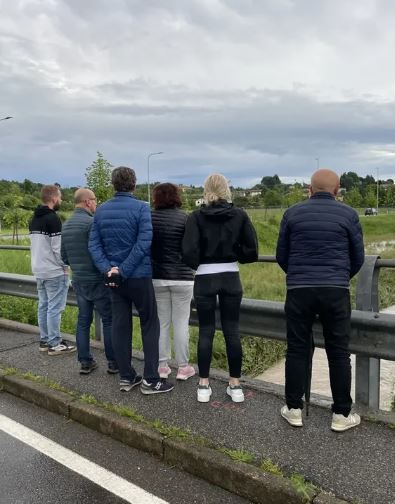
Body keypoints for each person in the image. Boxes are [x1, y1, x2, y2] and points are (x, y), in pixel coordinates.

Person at [276, 168, 365, 432]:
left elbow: (282, 255)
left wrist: (298, 275)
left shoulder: (291, 213)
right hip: (335, 291)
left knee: (297, 349)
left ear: (309, 189)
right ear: (337, 190)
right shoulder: (349, 214)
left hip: (299, 290)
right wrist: (340, 276)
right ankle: (340, 414)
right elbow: (357, 257)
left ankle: (293, 409)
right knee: (339, 352)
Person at [89, 166, 173, 395]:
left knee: (120, 325)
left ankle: (127, 377)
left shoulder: (101, 210)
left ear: (113, 185)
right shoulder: (141, 209)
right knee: (149, 324)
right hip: (138, 276)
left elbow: (93, 245)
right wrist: (124, 270)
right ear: (134, 185)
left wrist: (110, 269)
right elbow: (144, 242)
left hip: (114, 279)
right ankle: (151, 379)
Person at [182, 173, 258, 403]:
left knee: (206, 331)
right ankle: (235, 385)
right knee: (232, 331)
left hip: (205, 277)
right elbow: (251, 251)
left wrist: (200, 262)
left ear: (206, 191)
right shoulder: (239, 215)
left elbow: (187, 252)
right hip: (230, 276)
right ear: (227, 190)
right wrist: (234, 252)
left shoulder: (195, 217)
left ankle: (204, 385)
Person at [61, 188, 117, 375]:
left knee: (83, 321)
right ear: (87, 202)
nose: (96, 204)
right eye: (94, 200)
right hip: (97, 280)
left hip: (78, 279)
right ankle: (113, 362)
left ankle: (85, 362)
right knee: (108, 320)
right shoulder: (92, 223)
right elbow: (101, 252)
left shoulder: (66, 225)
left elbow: (64, 256)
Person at [151, 183, 195, 381]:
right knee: (181, 323)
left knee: (161, 323)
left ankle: (162, 366)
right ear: (177, 196)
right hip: (183, 278)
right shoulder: (186, 218)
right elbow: (191, 248)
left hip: (157, 276)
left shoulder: (150, 218)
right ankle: (184, 367)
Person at [29, 185, 75, 355]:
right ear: (54, 198)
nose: (61, 200)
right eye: (60, 197)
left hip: (39, 269)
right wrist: (65, 267)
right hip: (54, 271)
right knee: (54, 308)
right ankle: (55, 344)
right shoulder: (53, 219)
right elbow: (58, 249)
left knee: (44, 306)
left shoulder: (34, 218)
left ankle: (45, 340)